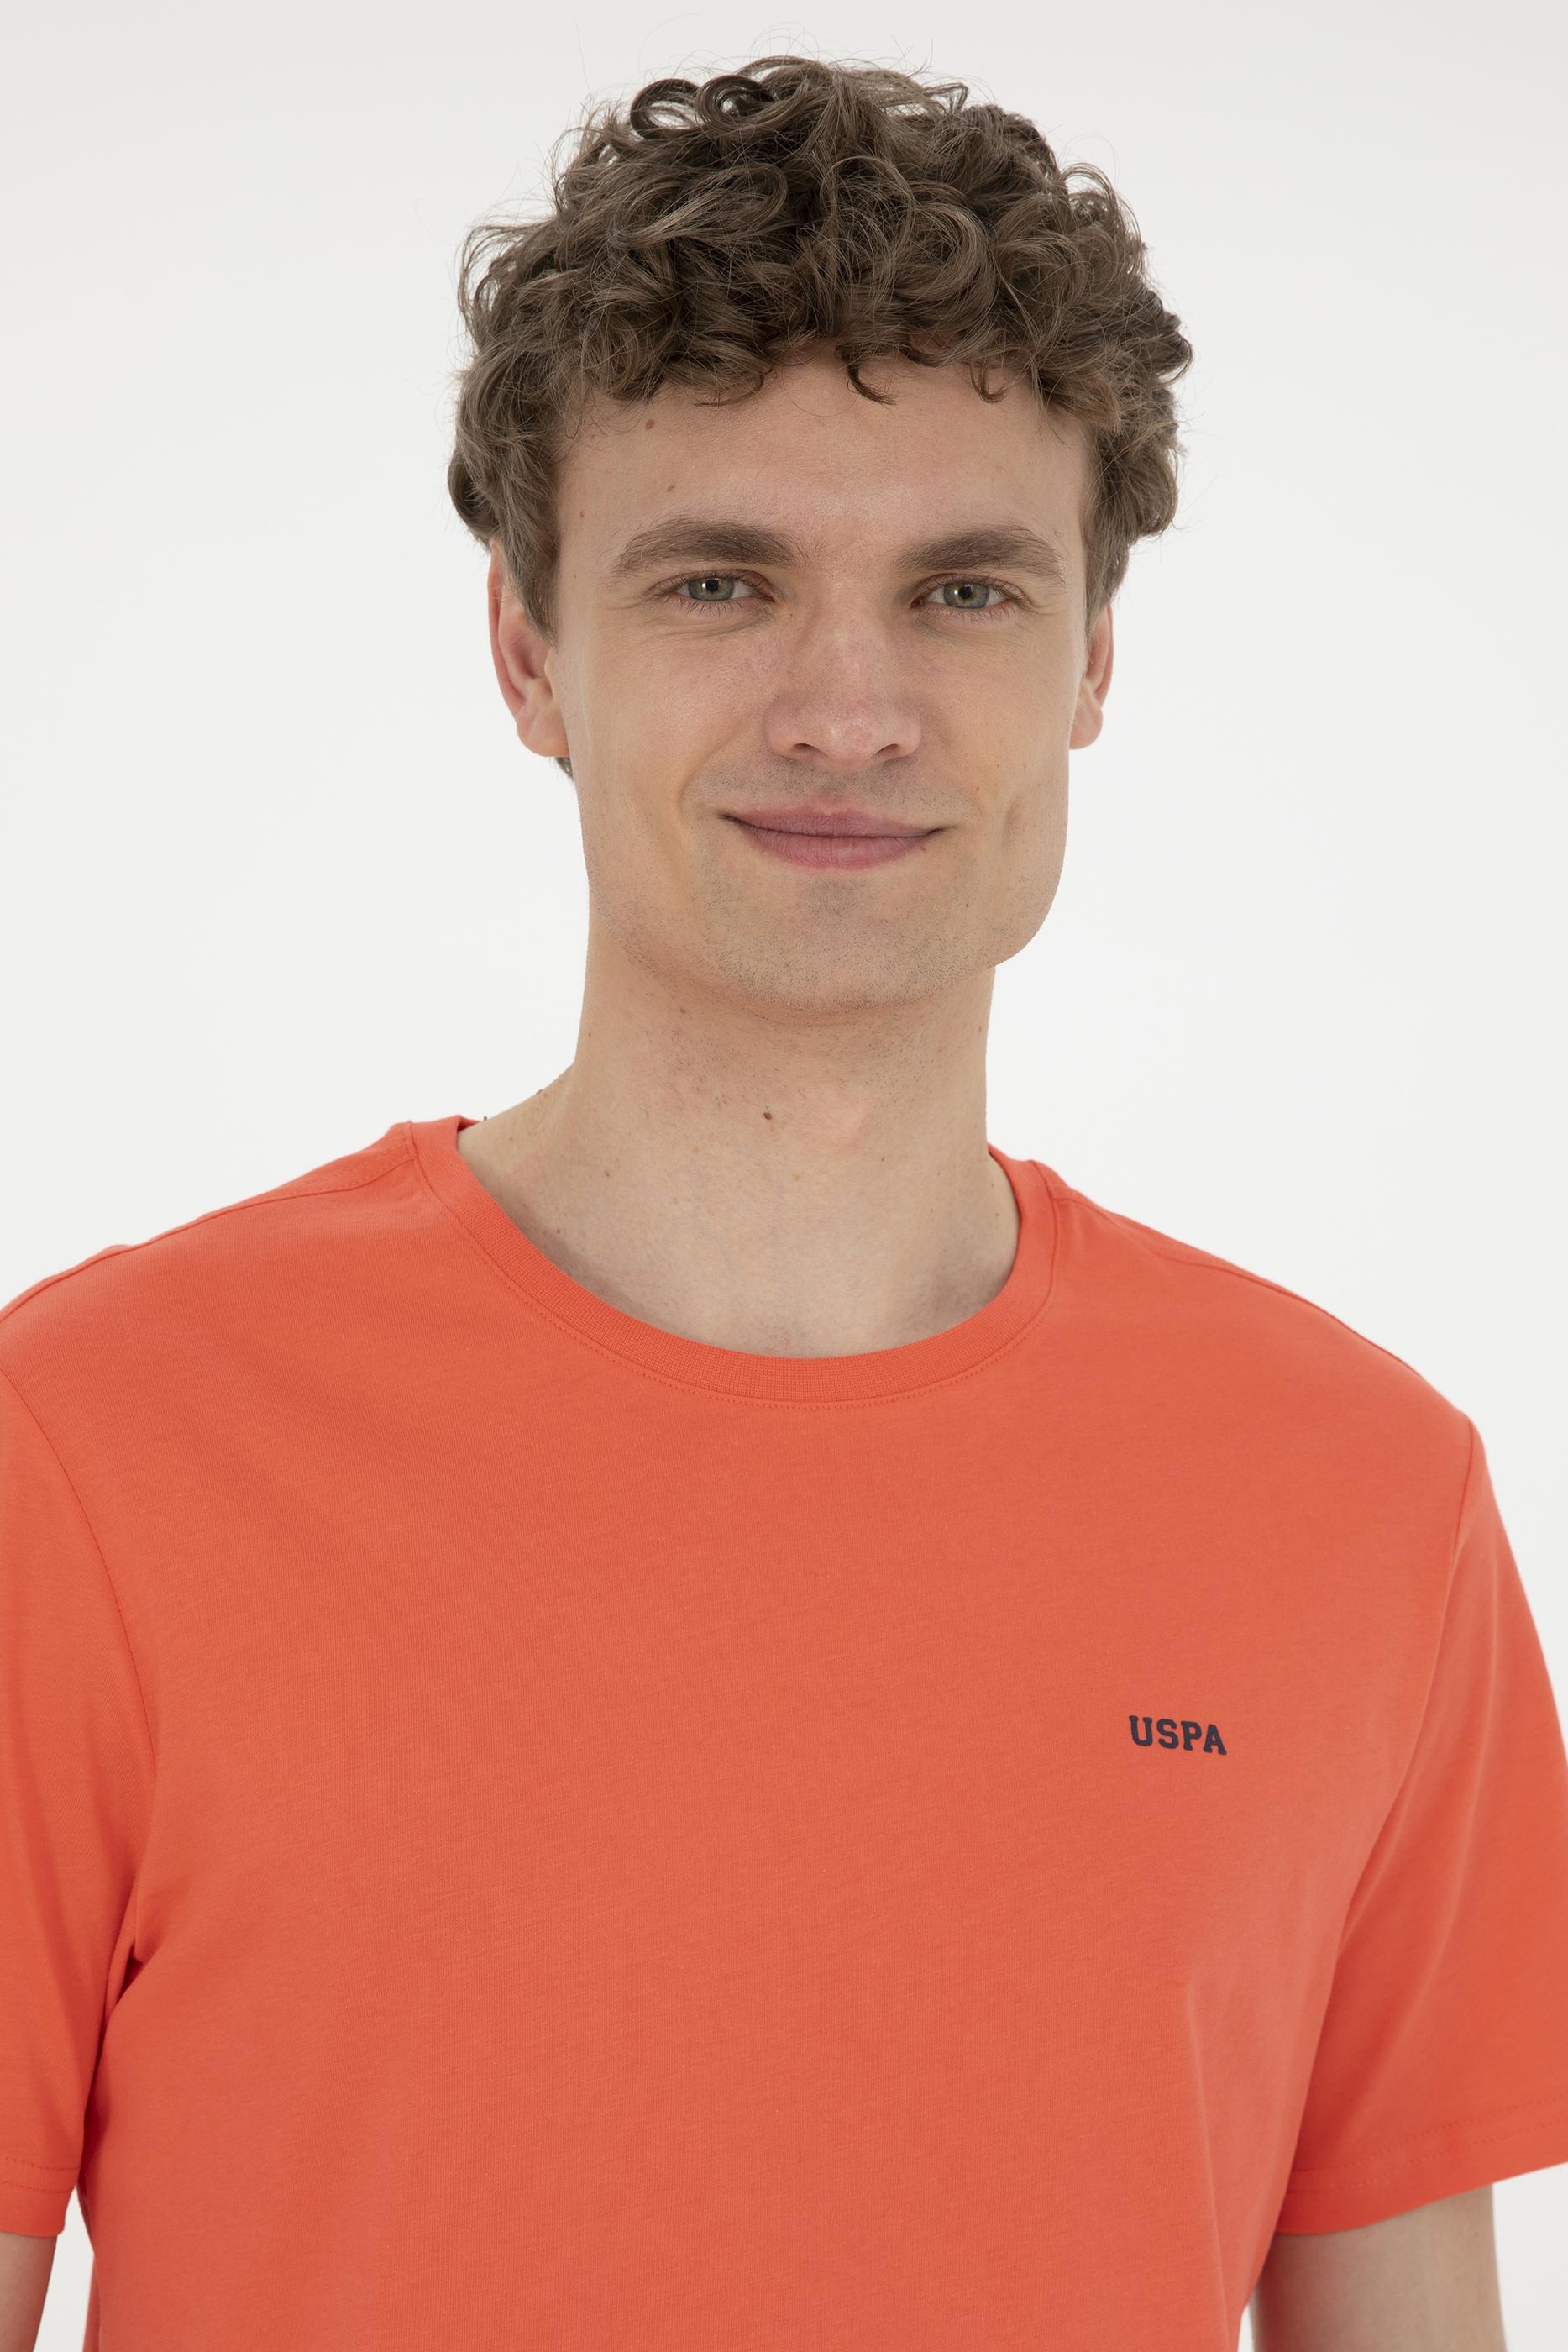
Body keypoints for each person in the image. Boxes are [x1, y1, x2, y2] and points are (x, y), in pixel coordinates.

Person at [1, 53, 1565, 2352]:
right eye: (721, 581)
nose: (848, 709)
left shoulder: (1367, 1506)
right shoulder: (87, 1453)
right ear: (530, 652)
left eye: (962, 589)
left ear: (1091, 662)